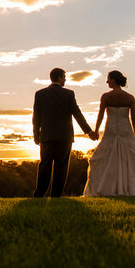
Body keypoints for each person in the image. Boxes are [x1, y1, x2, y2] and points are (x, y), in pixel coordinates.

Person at [83, 70, 135, 196]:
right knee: (134, 156)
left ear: (114, 80)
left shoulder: (106, 96)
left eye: (108, 79)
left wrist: (96, 131)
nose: (107, 81)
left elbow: (100, 115)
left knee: (100, 157)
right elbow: (133, 119)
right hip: (125, 130)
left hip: (111, 129)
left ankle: (104, 188)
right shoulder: (130, 98)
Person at [32, 68, 99, 197]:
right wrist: (89, 131)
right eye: (64, 77)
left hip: (47, 136)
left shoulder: (40, 94)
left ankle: (39, 193)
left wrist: (36, 135)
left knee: (45, 165)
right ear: (59, 78)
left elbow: (36, 117)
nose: (65, 79)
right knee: (61, 166)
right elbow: (77, 114)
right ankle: (56, 195)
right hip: (64, 136)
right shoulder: (69, 94)